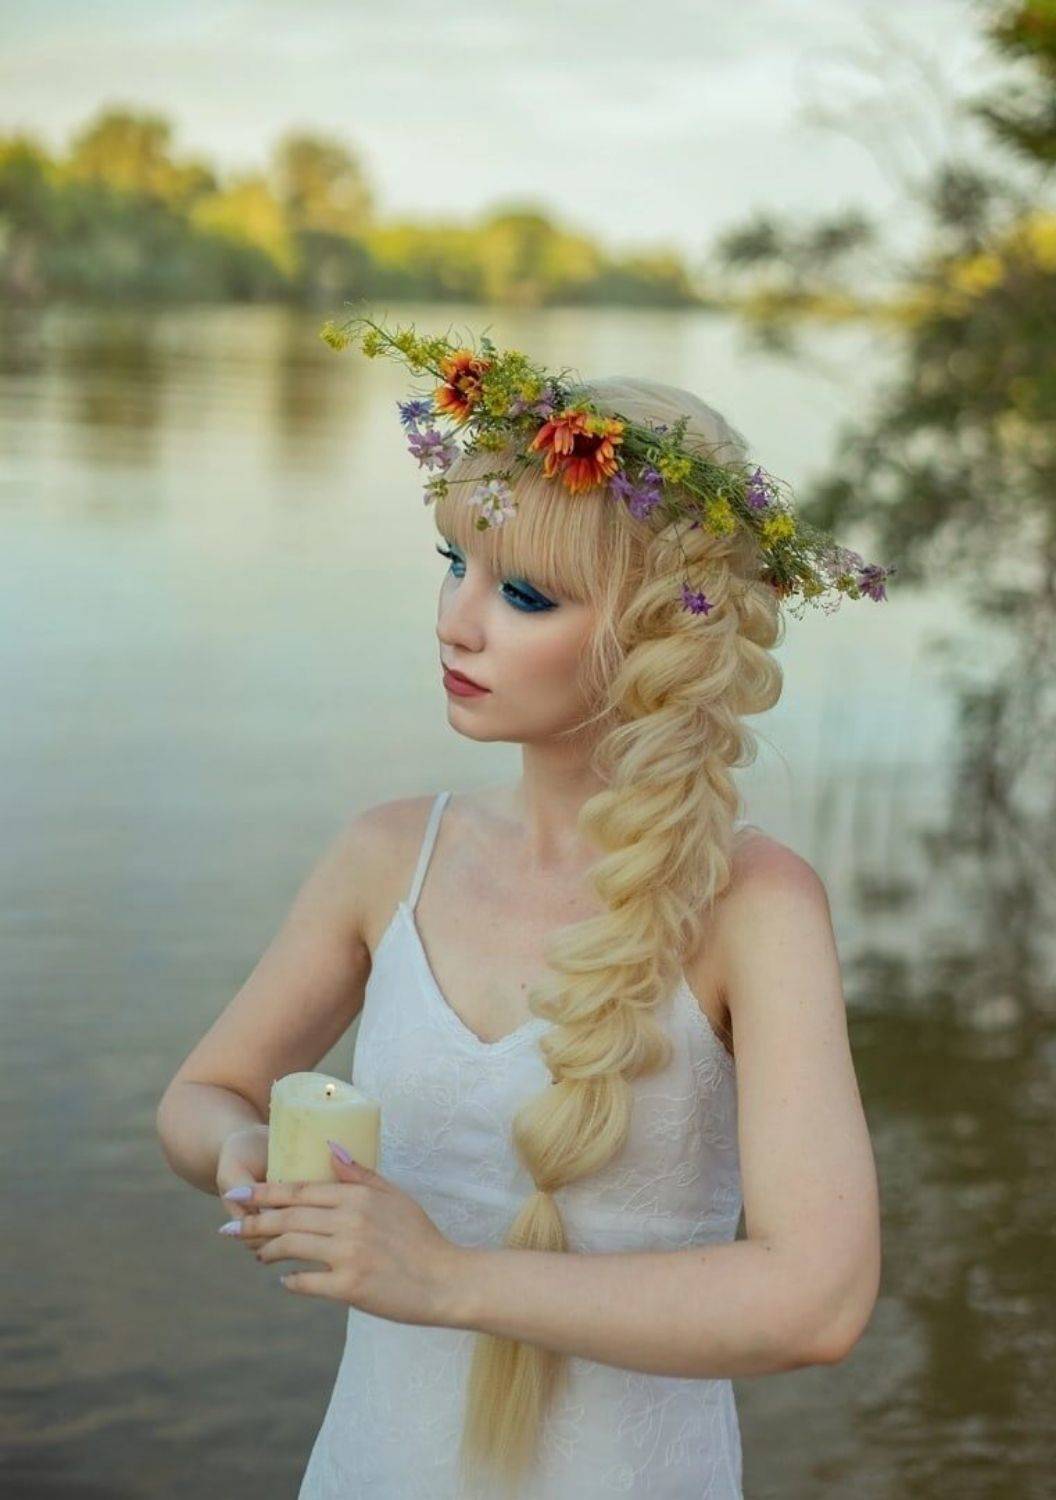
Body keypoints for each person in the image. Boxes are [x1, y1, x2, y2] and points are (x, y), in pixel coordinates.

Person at [156, 319, 884, 1498]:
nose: (458, 619)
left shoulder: (754, 907)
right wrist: (248, 1157)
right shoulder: (387, 858)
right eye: (455, 563)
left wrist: (448, 1279)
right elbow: (202, 1095)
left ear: (659, 632)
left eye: (527, 595)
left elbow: (819, 1301)